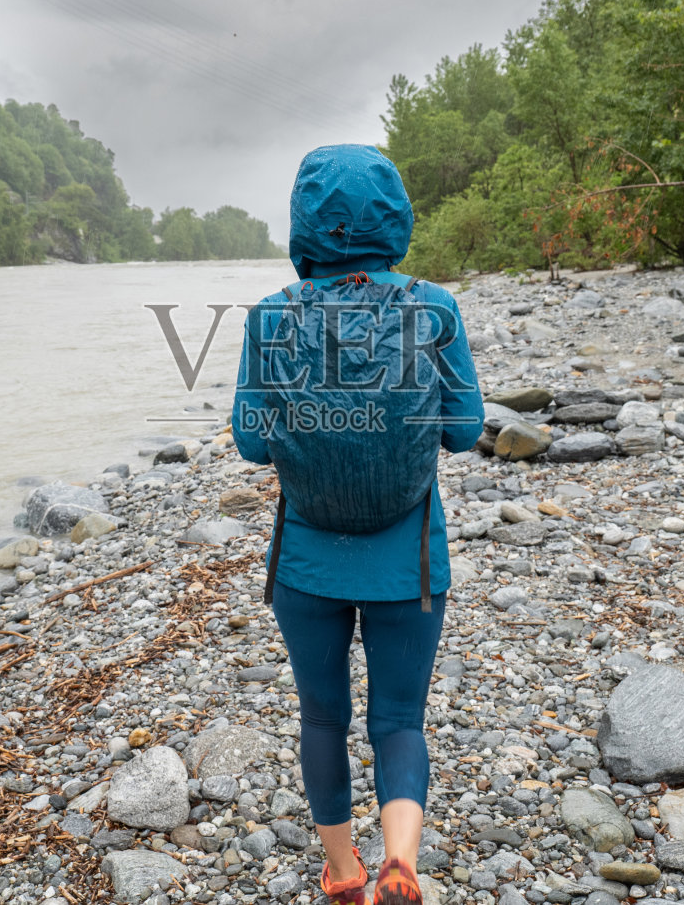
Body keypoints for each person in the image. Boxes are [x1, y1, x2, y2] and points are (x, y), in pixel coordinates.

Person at [231, 144, 484, 905]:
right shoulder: (433, 308)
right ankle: (400, 861)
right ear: (397, 216)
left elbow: (249, 441)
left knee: (322, 713)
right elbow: (466, 429)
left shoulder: (269, 317)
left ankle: (343, 871)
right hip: (406, 560)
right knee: (399, 717)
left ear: (304, 222)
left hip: (306, 563)